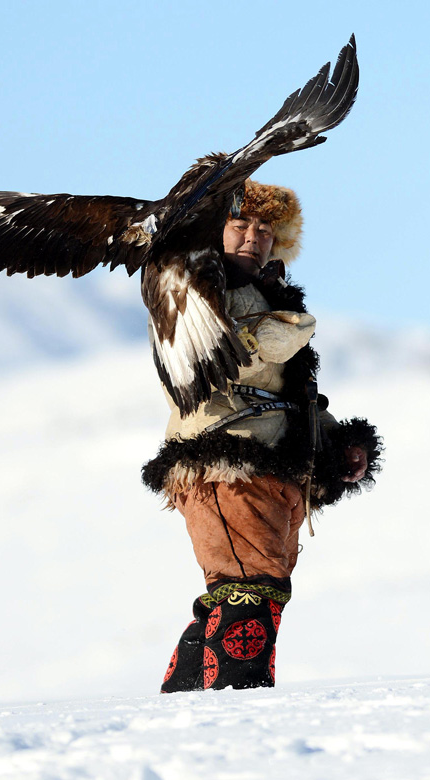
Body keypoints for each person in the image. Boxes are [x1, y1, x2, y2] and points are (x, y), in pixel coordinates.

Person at [142, 178, 382, 693]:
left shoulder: (268, 291)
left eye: (265, 228)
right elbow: (220, 360)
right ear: (214, 229)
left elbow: (293, 393)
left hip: (274, 464)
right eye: (239, 224)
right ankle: (236, 705)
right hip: (226, 459)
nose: (253, 236)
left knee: (251, 586)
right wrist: (272, 331)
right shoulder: (189, 284)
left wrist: (341, 444)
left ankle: (188, 700)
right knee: (248, 586)